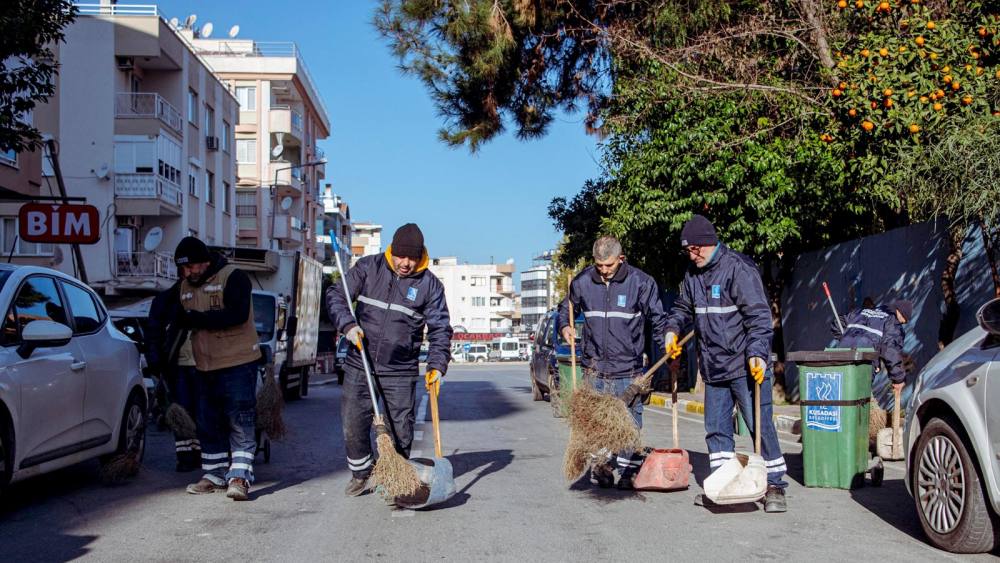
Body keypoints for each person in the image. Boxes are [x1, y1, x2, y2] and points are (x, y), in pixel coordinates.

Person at [664, 215, 788, 513]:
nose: (692, 255)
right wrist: (671, 331)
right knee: (716, 430)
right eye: (688, 251)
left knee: (761, 426)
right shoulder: (692, 276)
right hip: (714, 367)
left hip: (746, 367)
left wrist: (757, 353)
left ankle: (774, 485)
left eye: (695, 249)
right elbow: (682, 308)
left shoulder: (739, 269)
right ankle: (723, 484)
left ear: (710, 243)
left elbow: (759, 320)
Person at [325, 223, 453, 498]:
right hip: (361, 362)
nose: (405, 263)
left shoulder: (429, 285)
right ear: (392, 250)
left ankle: (393, 473)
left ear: (420, 257)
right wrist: (348, 325)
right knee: (353, 424)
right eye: (401, 256)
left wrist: (436, 366)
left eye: (412, 258)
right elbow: (336, 294)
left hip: (401, 370)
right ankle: (361, 474)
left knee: (400, 430)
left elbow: (441, 328)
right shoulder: (369, 268)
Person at [558, 236, 668, 490]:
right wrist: (565, 325)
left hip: (628, 369)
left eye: (608, 265)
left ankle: (628, 471)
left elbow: (658, 320)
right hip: (594, 368)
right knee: (596, 424)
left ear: (621, 259)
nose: (604, 271)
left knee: (629, 423)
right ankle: (602, 467)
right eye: (599, 266)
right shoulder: (583, 282)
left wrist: (667, 350)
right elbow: (567, 309)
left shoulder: (641, 283)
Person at [175, 237, 261, 501]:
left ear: (205, 262)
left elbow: (236, 315)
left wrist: (196, 320)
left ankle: (239, 477)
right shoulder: (185, 287)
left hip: (238, 362)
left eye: (191, 268)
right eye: (184, 270)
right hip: (204, 365)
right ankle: (213, 474)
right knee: (207, 421)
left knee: (240, 421)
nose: (188, 274)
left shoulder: (233, 277)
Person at [145, 281, 200, 472]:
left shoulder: (207, 294)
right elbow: (153, 334)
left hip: (206, 364)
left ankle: (202, 454)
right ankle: (186, 457)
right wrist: (156, 363)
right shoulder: (165, 300)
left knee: (204, 413)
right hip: (178, 367)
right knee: (181, 413)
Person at [832, 299, 913, 393]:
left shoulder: (862, 311)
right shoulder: (892, 323)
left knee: (836, 391)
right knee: (857, 395)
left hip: (840, 355)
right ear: (900, 313)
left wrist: (845, 339)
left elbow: (837, 323)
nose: (902, 323)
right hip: (864, 363)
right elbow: (890, 351)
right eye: (903, 321)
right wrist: (898, 379)